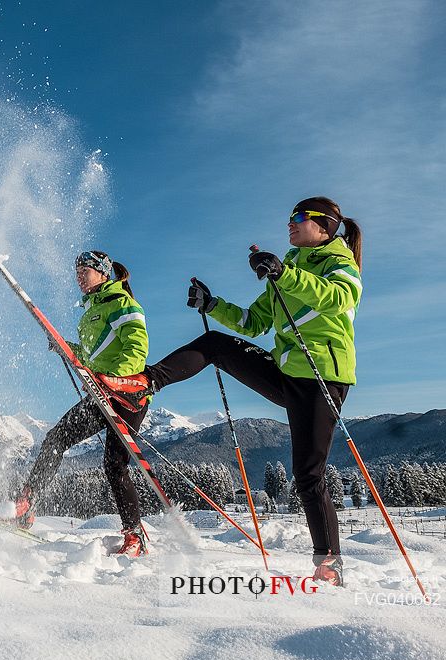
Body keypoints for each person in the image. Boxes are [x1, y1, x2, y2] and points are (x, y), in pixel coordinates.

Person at [142, 196, 362, 585]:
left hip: (322, 375)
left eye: (299, 217)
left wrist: (282, 275)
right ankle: (147, 382)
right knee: (216, 346)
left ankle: (330, 563)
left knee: (307, 474)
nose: (290, 223)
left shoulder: (339, 260)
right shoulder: (290, 266)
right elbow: (254, 321)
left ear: (325, 225)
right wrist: (213, 304)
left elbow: (340, 298)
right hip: (286, 371)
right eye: (289, 217)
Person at [11, 250, 153, 557]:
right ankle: (27, 506)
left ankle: (135, 536)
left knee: (114, 465)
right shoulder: (89, 313)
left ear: (103, 273)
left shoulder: (122, 304)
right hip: (99, 393)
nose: (79, 276)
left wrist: (115, 380)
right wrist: (63, 345)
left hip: (127, 395)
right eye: (76, 270)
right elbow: (88, 358)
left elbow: (137, 348)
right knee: (55, 439)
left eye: (84, 270)